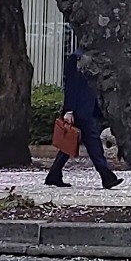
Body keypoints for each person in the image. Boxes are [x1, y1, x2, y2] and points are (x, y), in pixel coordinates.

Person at [46, 45, 120, 189]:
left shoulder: (90, 57)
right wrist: (69, 110)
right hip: (81, 109)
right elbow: (71, 86)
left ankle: (54, 174)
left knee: (69, 144)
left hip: (86, 108)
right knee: (93, 145)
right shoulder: (77, 58)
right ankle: (107, 177)